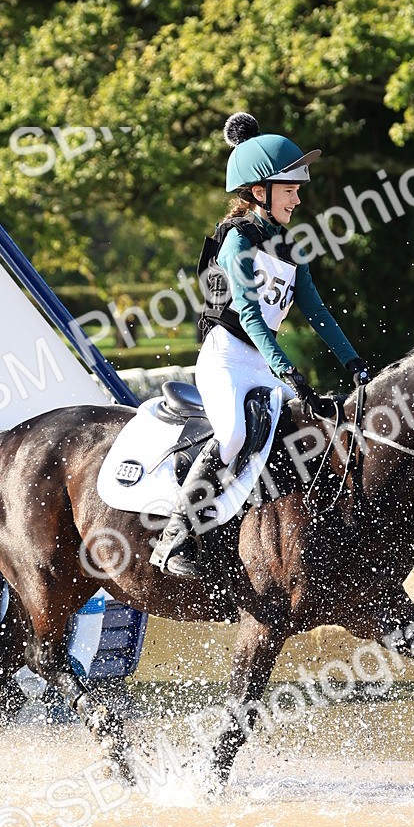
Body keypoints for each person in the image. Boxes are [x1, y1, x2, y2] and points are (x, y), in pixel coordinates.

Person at [150, 112, 370, 579]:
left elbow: (318, 312)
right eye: (289, 189)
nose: (298, 197)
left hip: (262, 362)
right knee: (232, 434)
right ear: (258, 192)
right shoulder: (236, 241)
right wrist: (290, 373)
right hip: (227, 358)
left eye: (297, 189)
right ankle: (177, 532)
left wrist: (354, 363)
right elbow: (249, 316)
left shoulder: (290, 247)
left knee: (309, 434)